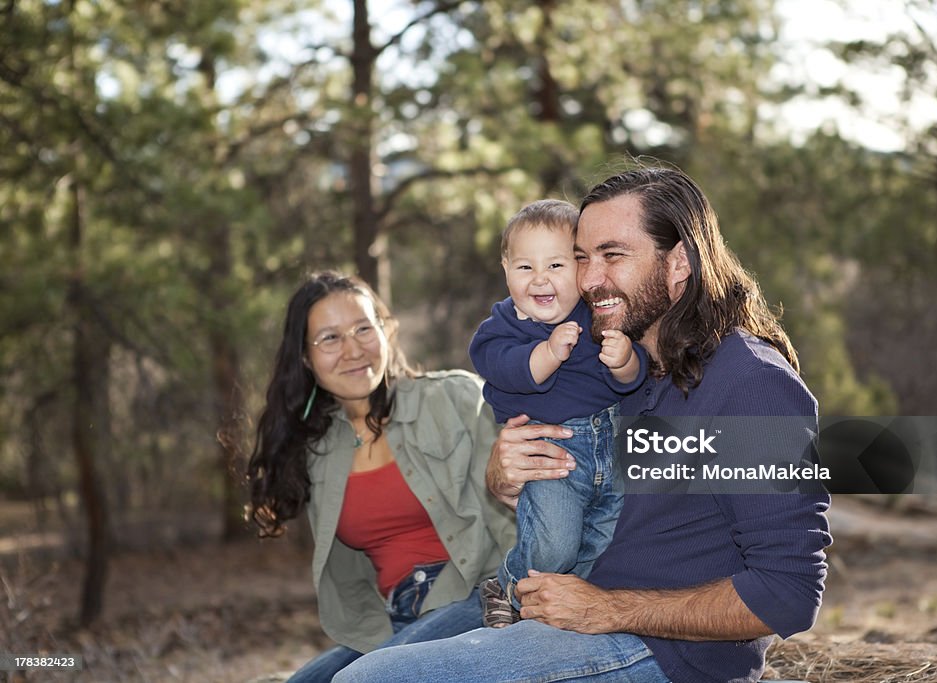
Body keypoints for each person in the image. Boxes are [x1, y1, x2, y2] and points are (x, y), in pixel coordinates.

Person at [334, 166, 832, 683]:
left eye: (613, 255)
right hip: (559, 607)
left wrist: (609, 610)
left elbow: (789, 593)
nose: (590, 279)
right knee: (335, 672)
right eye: (581, 257)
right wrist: (504, 476)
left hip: (659, 652)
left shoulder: (752, 383)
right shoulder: (614, 367)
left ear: (679, 262)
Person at [246, 272, 516, 683]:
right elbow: (350, 576)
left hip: (478, 596)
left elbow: (518, 508)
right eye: (330, 338)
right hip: (394, 620)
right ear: (304, 358)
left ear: (385, 331)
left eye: (362, 329)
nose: (353, 350)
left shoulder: (455, 398)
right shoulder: (317, 451)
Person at [469, 199, 647, 627]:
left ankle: (552, 609)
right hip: (554, 452)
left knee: (606, 539)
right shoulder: (501, 329)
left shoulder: (597, 316)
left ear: (581, 271)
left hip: (613, 444)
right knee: (555, 545)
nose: (540, 279)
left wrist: (624, 359)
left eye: (556, 266)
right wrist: (548, 352)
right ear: (505, 268)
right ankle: (508, 584)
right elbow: (510, 370)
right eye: (525, 268)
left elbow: (632, 380)